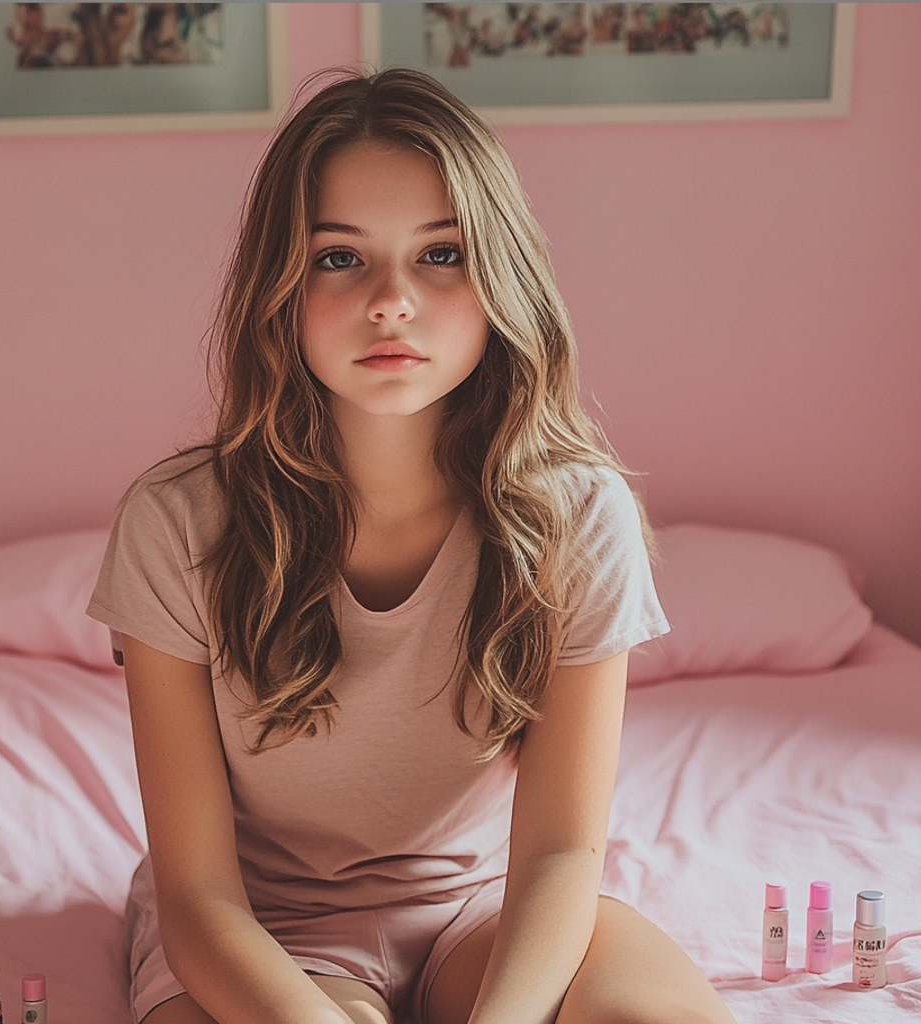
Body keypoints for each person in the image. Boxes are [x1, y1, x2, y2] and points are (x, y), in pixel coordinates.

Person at [88, 68, 737, 1024]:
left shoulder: (577, 515)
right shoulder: (178, 524)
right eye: (340, 259)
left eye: (441, 253)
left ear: (499, 275)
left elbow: (560, 853)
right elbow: (196, 894)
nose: (393, 300)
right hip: (262, 930)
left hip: (492, 910)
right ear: (280, 283)